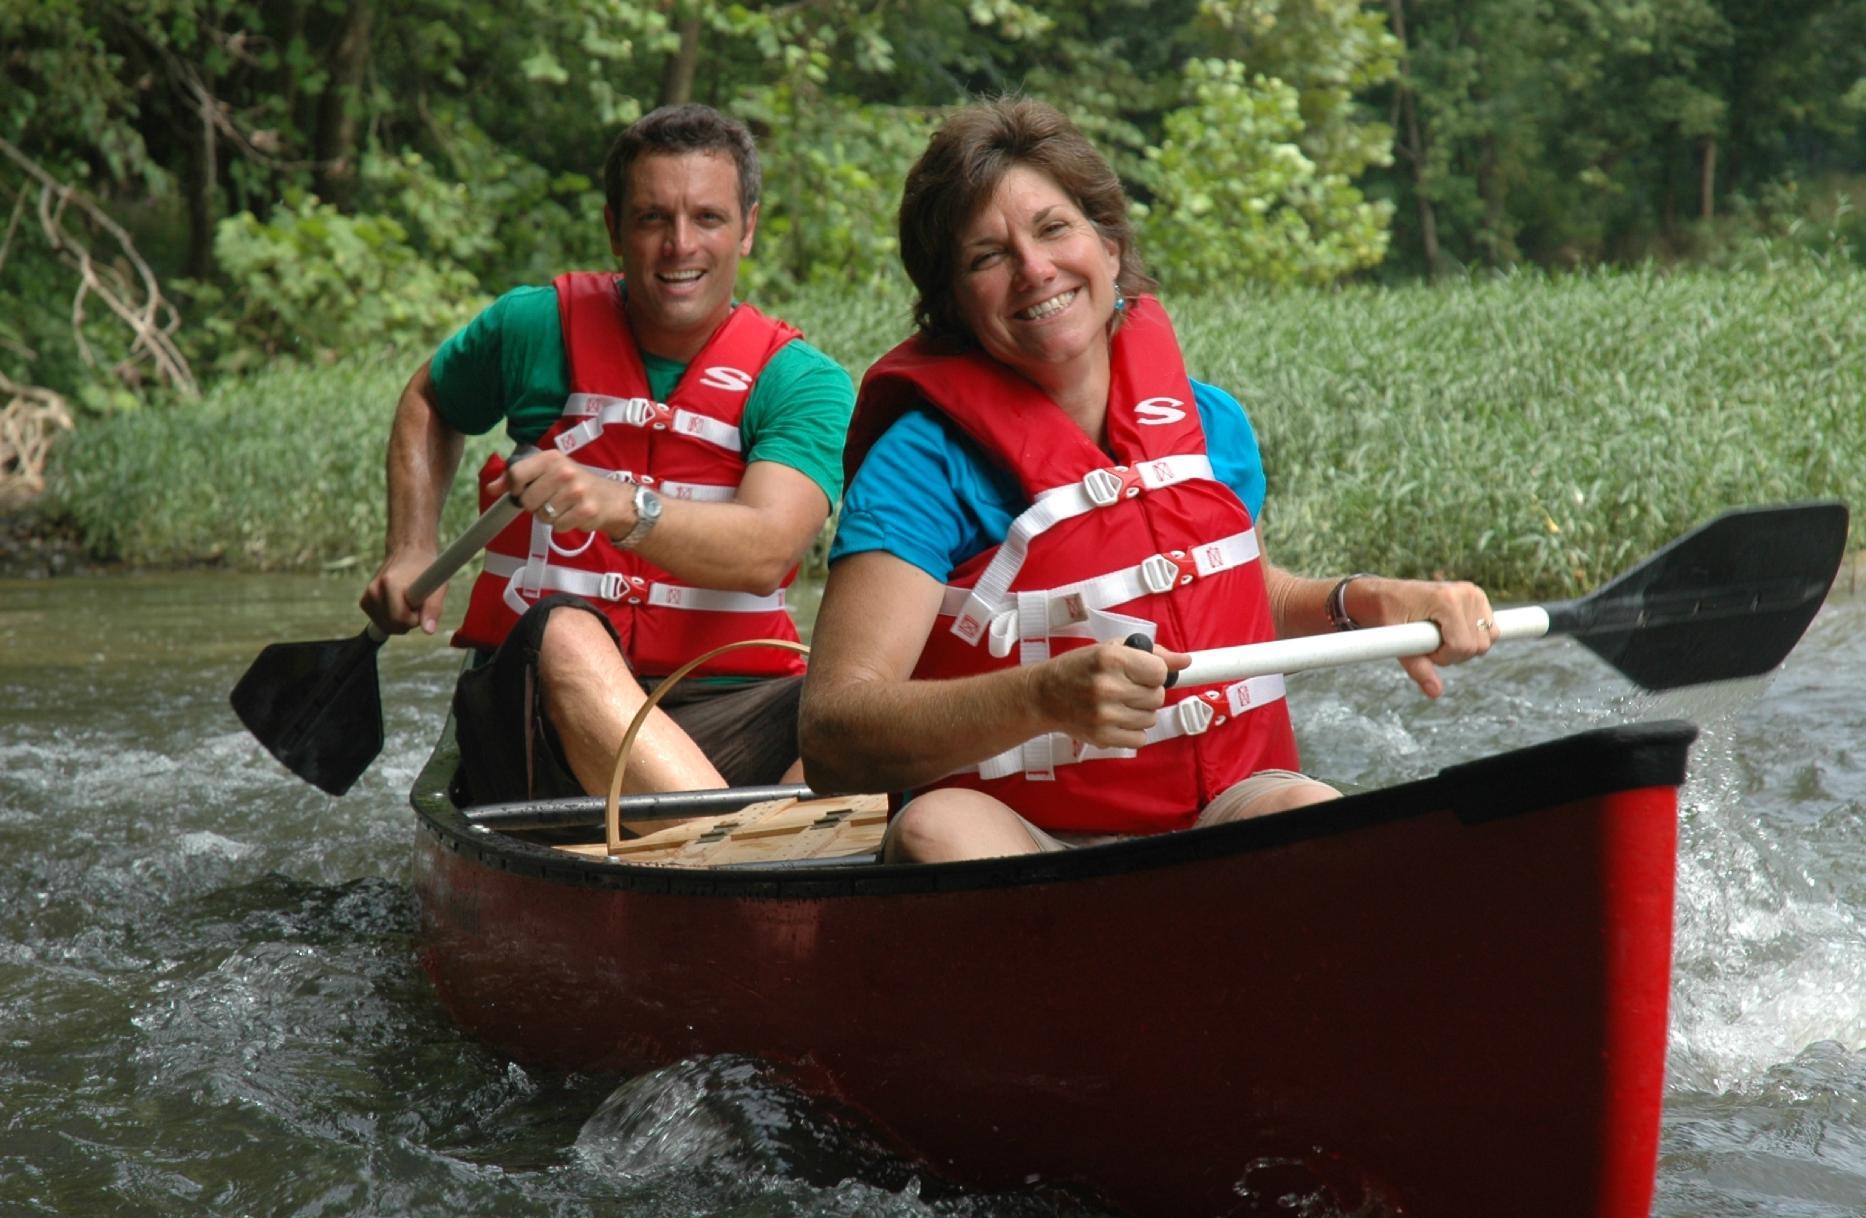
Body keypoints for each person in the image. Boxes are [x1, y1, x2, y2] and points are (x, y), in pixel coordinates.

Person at [798, 98, 1495, 863]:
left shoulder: (1206, 421)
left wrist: (1361, 601)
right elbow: (835, 732)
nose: (1034, 269)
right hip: (1018, 832)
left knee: (1308, 808)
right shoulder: (922, 463)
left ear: (1109, 241)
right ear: (952, 305)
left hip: (1222, 804)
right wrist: (1040, 698)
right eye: (985, 257)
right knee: (939, 831)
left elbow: (1236, 598)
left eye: (1054, 228)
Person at [361, 104, 854, 808]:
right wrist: (411, 545)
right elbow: (430, 399)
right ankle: (748, 863)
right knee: (562, 633)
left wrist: (622, 506)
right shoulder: (533, 326)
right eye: (653, 218)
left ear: (747, 228)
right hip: (542, 720)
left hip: (732, 706)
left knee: (875, 694)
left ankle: (738, 847)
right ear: (614, 230)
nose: (679, 245)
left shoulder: (801, 381)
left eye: (708, 219)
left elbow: (764, 551)